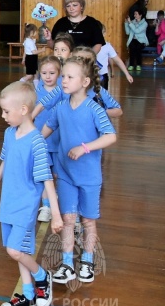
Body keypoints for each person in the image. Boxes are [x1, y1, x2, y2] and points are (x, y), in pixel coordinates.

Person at [0, 82, 62, 306]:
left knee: (15, 250)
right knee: (18, 249)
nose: (3, 116)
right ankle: (28, 295)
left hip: (25, 206)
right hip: (7, 202)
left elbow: (47, 179)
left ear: (24, 110)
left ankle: (41, 276)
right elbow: (6, 160)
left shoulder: (37, 142)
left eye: (6, 111)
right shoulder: (10, 134)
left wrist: (56, 215)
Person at [42, 56, 117, 285]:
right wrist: (28, 145)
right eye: (62, 76)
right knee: (68, 219)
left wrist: (85, 148)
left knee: (88, 221)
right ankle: (66, 263)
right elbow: (46, 129)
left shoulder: (94, 109)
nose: (64, 80)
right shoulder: (61, 107)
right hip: (66, 175)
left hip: (89, 177)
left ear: (85, 82)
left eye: (69, 77)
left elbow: (111, 136)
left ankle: (87, 260)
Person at [33, 55, 62, 222]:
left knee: (57, 174)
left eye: (52, 72)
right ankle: (45, 205)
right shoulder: (36, 91)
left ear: (59, 73)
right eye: (44, 73)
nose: (48, 76)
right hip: (41, 140)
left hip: (58, 141)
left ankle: (55, 199)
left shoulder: (63, 91)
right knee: (45, 174)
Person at [96, 23, 133, 89]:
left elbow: (118, 61)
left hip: (102, 77)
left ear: (104, 34)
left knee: (103, 97)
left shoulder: (107, 46)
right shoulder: (87, 45)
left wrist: (127, 74)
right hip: (89, 76)